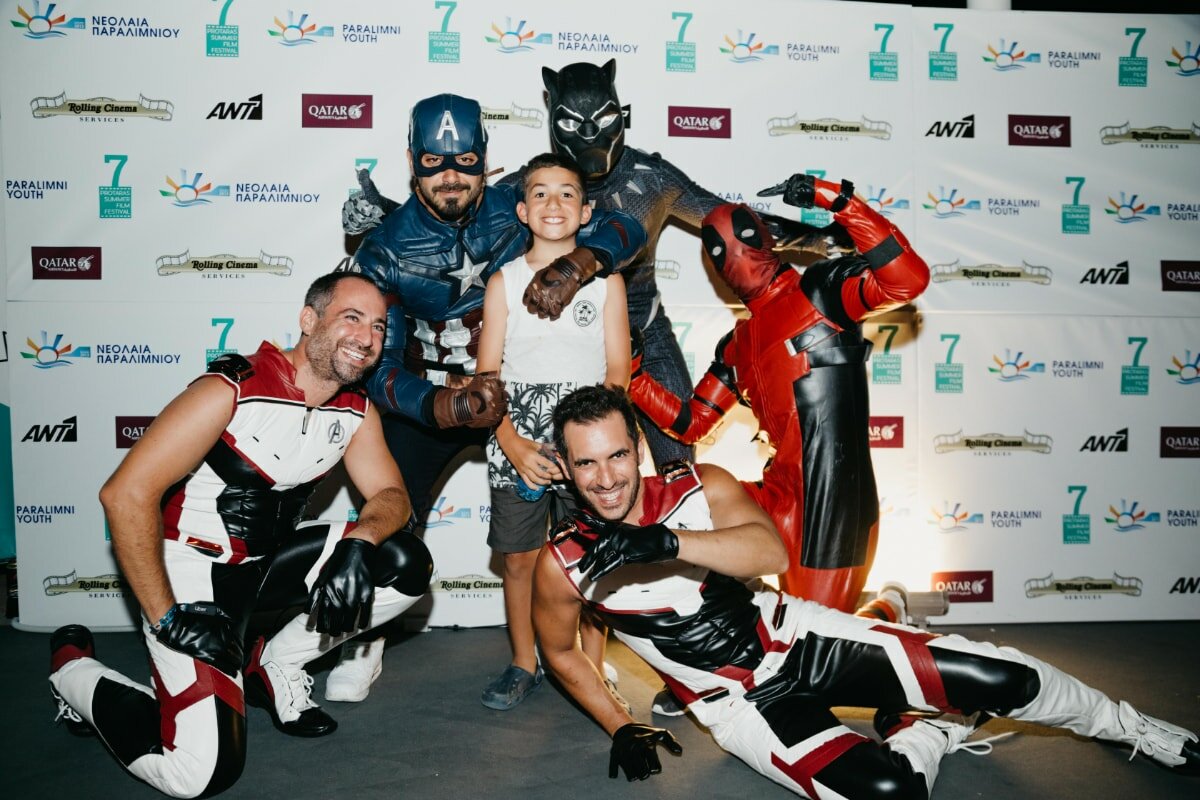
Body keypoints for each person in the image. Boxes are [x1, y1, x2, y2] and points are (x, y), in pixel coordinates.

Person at [532, 384, 1200, 797]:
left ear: (638, 448)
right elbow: (561, 652)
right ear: (564, 465)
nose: (606, 479)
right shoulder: (562, 562)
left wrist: (666, 542)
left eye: (617, 455)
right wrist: (619, 723)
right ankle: (924, 726)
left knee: (1003, 679)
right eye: (586, 463)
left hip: (801, 637)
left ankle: (1131, 728)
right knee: (891, 793)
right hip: (741, 706)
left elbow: (768, 552)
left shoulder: (697, 485)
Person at [48, 273, 433, 798]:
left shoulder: (355, 408)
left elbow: (392, 495)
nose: (367, 338)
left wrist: (360, 541)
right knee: (198, 774)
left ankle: (277, 663)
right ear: (308, 320)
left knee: (405, 561)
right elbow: (125, 494)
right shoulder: (231, 388)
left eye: (379, 326)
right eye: (352, 318)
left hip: (267, 565)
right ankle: (73, 668)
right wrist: (167, 617)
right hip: (194, 579)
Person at [330, 93, 646, 701]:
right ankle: (362, 637)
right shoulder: (384, 248)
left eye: (465, 161)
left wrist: (584, 262)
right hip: (430, 398)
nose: (451, 176)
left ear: (485, 160)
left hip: (532, 396)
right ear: (412, 162)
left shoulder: (523, 205)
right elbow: (376, 361)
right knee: (390, 509)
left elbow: (627, 225)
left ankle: (590, 650)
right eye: (433, 162)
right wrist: (437, 404)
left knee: (591, 519)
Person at [629, 175, 928, 621]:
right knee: (689, 509)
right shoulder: (738, 344)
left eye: (743, 236)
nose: (732, 254)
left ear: (766, 237)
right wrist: (634, 375)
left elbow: (908, 280)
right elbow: (692, 422)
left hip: (830, 503)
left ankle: (889, 609)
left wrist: (836, 198)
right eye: (716, 250)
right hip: (774, 496)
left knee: (819, 638)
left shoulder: (822, 293)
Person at [474, 151, 631, 709]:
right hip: (515, 431)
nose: (553, 203)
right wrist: (512, 443)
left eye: (567, 193)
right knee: (520, 559)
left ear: (586, 212)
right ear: (522, 210)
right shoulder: (503, 282)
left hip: (587, 435)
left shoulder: (608, 284)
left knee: (590, 556)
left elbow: (618, 371)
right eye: (539, 193)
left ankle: (592, 664)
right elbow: (487, 378)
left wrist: (592, 445)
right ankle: (524, 661)